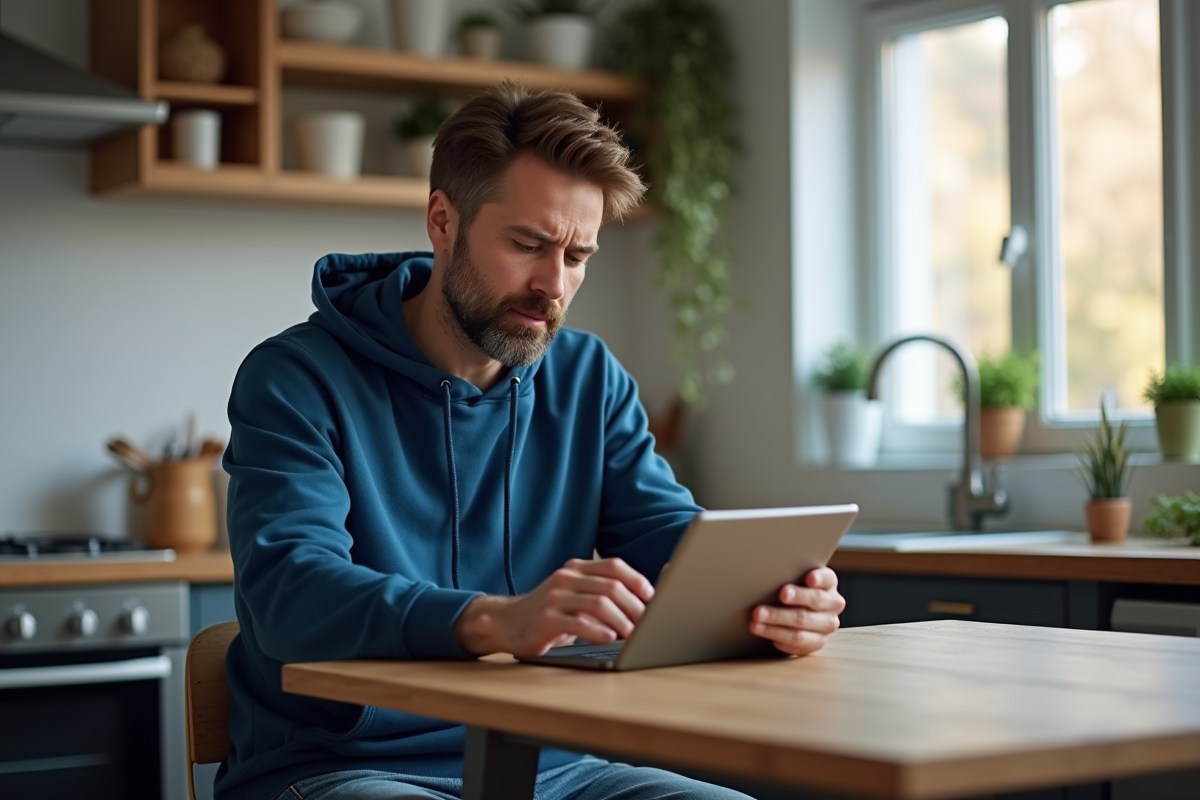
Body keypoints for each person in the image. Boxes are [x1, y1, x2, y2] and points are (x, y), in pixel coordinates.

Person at [217, 81, 845, 800]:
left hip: (557, 765)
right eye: (528, 244)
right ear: (443, 220)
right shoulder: (296, 377)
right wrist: (488, 619)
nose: (553, 285)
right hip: (340, 767)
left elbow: (666, 535)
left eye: (578, 256)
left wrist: (774, 597)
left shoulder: (587, 377)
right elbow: (288, 592)